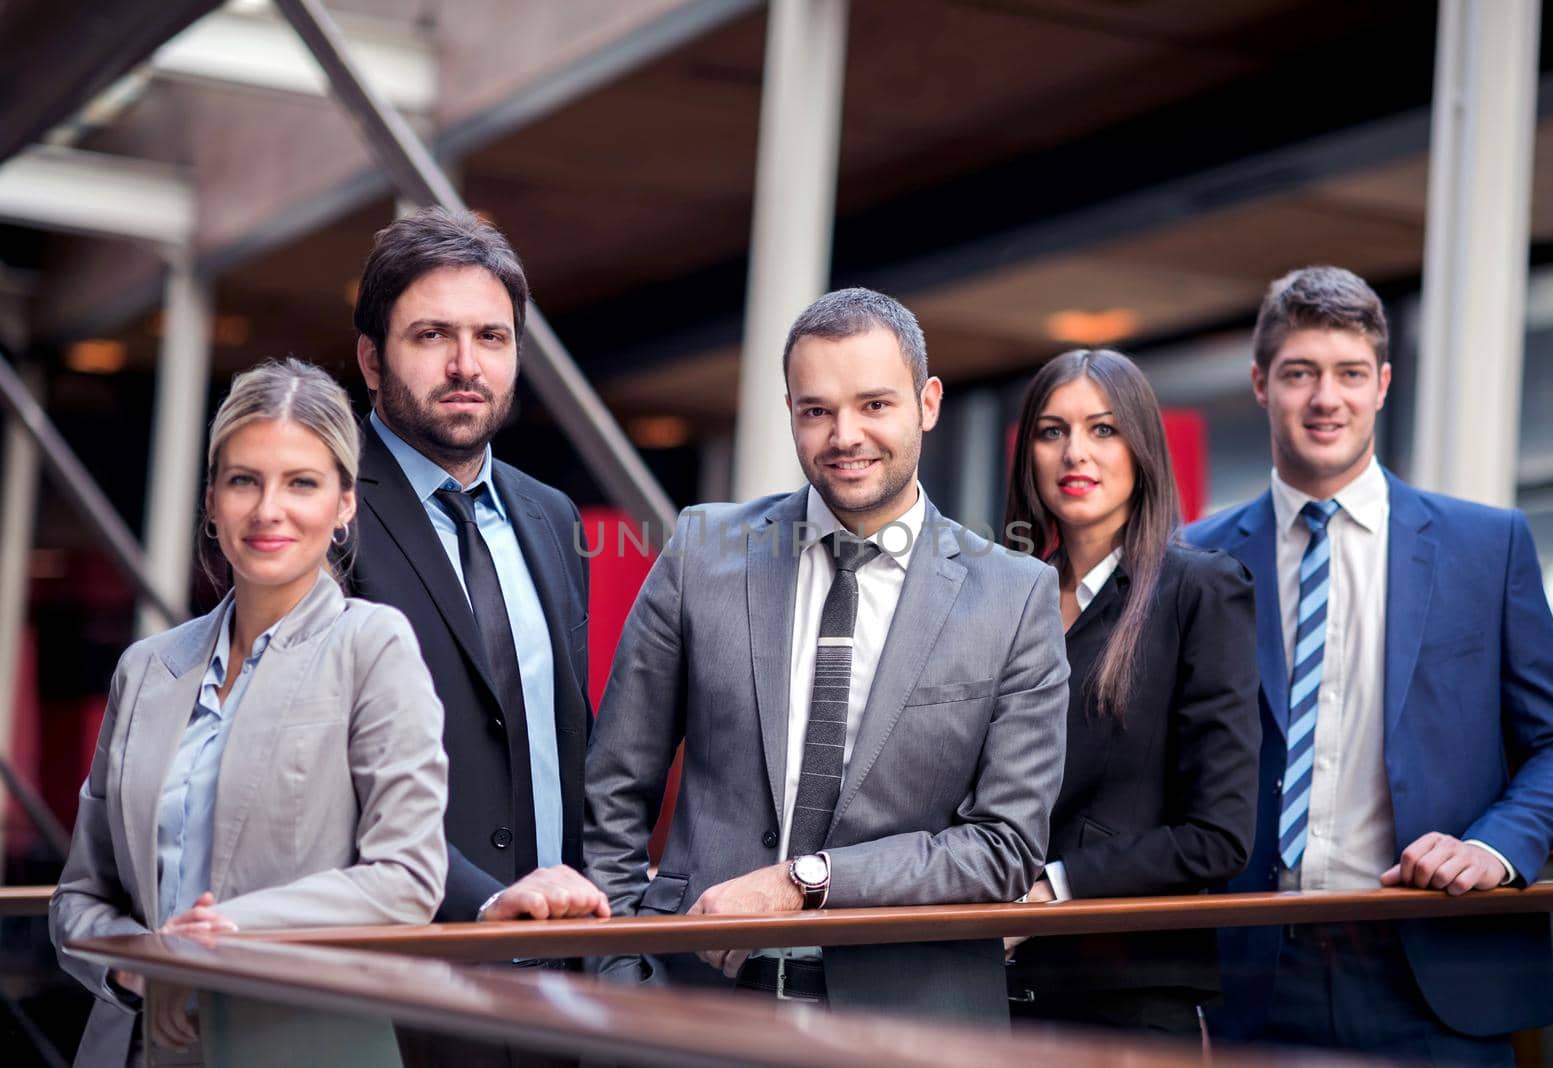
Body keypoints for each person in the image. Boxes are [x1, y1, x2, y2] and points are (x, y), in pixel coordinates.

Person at [584, 287, 1070, 1022]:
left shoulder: (1015, 594)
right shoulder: (701, 552)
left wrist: (804, 880)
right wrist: (620, 978)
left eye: (875, 405)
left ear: (927, 403)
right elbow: (614, 788)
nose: (845, 435)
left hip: (912, 1023)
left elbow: (1002, 848)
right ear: (790, 413)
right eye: (817, 410)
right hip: (696, 1012)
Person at [1185, 265, 1553, 1063]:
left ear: (1381, 384)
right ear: (1260, 384)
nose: (1324, 398)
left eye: (1347, 374)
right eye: (1299, 373)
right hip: (1254, 973)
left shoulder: (1487, 546)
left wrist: (1495, 848)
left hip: (1437, 961)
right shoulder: (1193, 557)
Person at [50, 358, 448, 1066]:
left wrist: (219, 934)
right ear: (211, 500)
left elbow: (408, 876)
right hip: (138, 1044)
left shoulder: (371, 646)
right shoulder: (146, 669)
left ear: (345, 504)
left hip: (300, 1045)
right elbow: (78, 896)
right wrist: (135, 966)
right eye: (244, 481)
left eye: (302, 482)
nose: (269, 510)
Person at [346, 206, 608, 929]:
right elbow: (317, 770)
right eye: (432, 336)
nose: (466, 366)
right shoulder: (322, 511)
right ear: (373, 359)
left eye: (490, 337)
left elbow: (566, 737)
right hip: (411, 956)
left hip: (561, 953)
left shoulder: (552, 517)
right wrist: (480, 904)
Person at [1000, 349, 1260, 1039]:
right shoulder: (1002, 595)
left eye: (1103, 429)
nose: (1074, 452)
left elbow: (1219, 836)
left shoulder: (1200, 590)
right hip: (982, 983)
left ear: (1143, 447)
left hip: (1123, 994)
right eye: (1052, 431)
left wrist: (1054, 885)